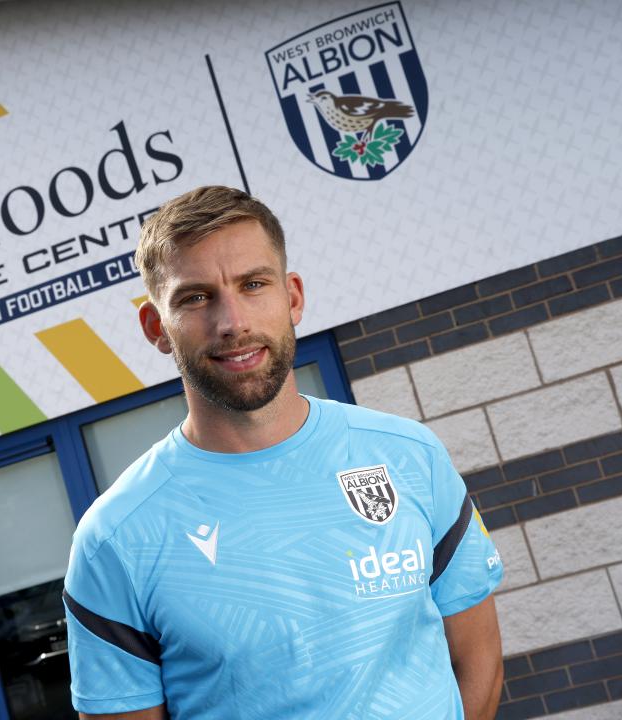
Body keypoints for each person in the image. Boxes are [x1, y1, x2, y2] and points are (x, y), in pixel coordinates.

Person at [62, 186, 504, 719]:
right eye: (195, 297)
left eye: (253, 285)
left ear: (292, 297)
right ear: (158, 328)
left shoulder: (410, 457)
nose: (233, 323)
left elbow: (478, 661)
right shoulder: (115, 539)